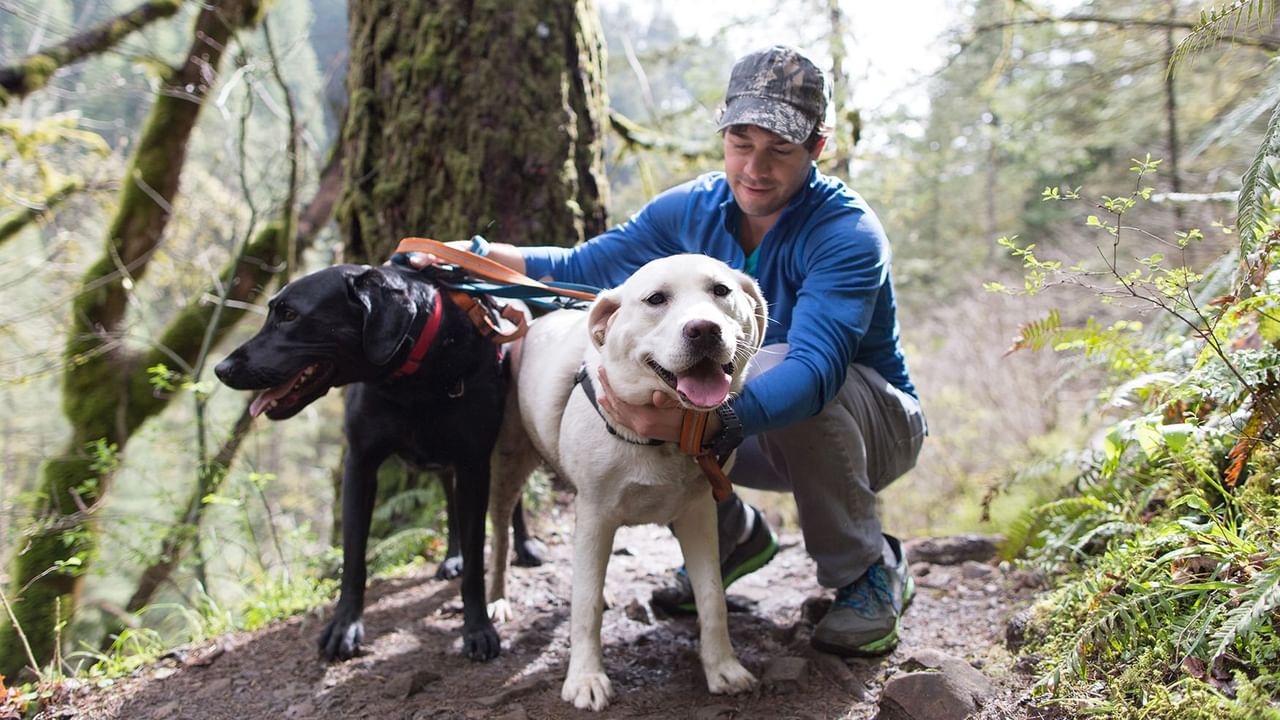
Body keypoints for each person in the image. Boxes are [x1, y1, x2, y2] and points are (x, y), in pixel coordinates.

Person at [410, 45, 926, 657]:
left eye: (780, 150)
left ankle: (865, 570)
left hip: (871, 428)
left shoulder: (846, 234)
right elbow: (586, 265)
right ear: (725, 137)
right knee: (659, 373)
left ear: (816, 148)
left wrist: (707, 424)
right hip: (745, 426)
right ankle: (731, 535)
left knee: (769, 364)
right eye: (741, 142)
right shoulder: (694, 207)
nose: (755, 167)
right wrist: (469, 256)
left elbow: (814, 373)